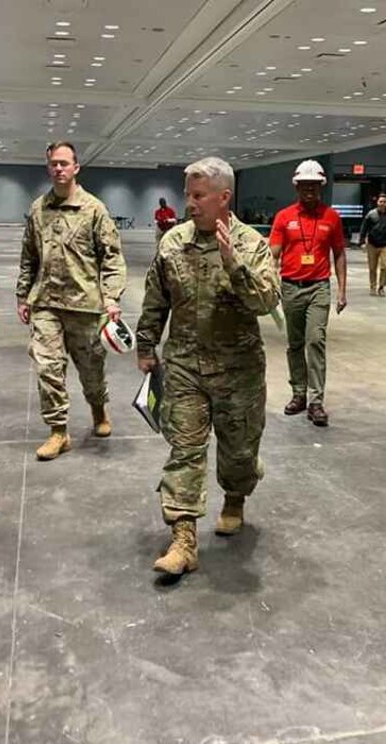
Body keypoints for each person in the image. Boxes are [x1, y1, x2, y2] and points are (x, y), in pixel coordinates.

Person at [136, 157, 279, 576]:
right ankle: (183, 540)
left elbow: (266, 301)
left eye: (199, 196)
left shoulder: (251, 244)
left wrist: (233, 264)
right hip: (185, 366)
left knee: (238, 455)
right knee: (185, 451)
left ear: (224, 197)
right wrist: (146, 345)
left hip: (239, 371)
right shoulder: (173, 242)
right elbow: (155, 299)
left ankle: (236, 494)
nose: (190, 204)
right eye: (188, 195)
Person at [16, 142, 127, 461]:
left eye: (64, 163)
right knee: (48, 368)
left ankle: (98, 410)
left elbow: (112, 257)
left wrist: (111, 298)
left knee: (91, 370)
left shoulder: (94, 209)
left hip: (85, 305)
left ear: (76, 167)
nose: (58, 168)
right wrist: (24, 295)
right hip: (46, 303)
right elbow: (29, 256)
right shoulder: (38, 208)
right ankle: (58, 431)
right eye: (53, 163)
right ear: (48, 167)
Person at [270, 159, 348, 427]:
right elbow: (274, 254)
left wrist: (342, 290)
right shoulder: (284, 217)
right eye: (305, 186)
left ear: (321, 187)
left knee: (315, 341)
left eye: (314, 186)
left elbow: (339, 254)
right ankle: (299, 394)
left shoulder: (332, 218)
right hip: (290, 287)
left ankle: (316, 401)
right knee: (294, 344)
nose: (309, 191)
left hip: (319, 287)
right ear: (297, 187)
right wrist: (269, 280)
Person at [358, 192, 386, 296]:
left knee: (385, 266)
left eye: (384, 202)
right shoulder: (371, 214)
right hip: (372, 244)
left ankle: (381, 287)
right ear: (377, 202)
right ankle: (373, 287)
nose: (382, 203)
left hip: (385, 245)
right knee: (372, 268)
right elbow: (364, 229)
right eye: (380, 201)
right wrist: (362, 242)